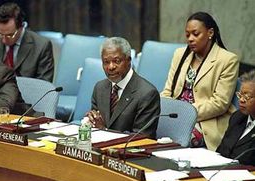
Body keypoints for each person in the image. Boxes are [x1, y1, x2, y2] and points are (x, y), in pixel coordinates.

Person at [161, 12, 239, 151]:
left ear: (210, 33)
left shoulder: (227, 60)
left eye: (195, 34)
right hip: (173, 115)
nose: (190, 39)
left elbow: (219, 103)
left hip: (204, 121)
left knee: (172, 143)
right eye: (187, 35)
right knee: (144, 128)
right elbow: (168, 91)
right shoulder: (180, 54)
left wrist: (184, 114)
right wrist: (160, 110)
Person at [86, 37, 160, 139]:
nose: (111, 67)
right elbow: (96, 124)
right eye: (106, 62)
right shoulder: (100, 88)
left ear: (129, 60)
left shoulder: (147, 94)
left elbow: (141, 139)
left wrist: (104, 131)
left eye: (117, 61)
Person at [0, 2, 54, 82]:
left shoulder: (42, 46)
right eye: (0, 34)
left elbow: (44, 85)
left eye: (10, 35)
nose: (4, 40)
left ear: (21, 26)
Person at [216, 70, 255, 166]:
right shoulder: (237, 117)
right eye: (240, 95)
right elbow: (222, 151)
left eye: (247, 96)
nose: (241, 100)